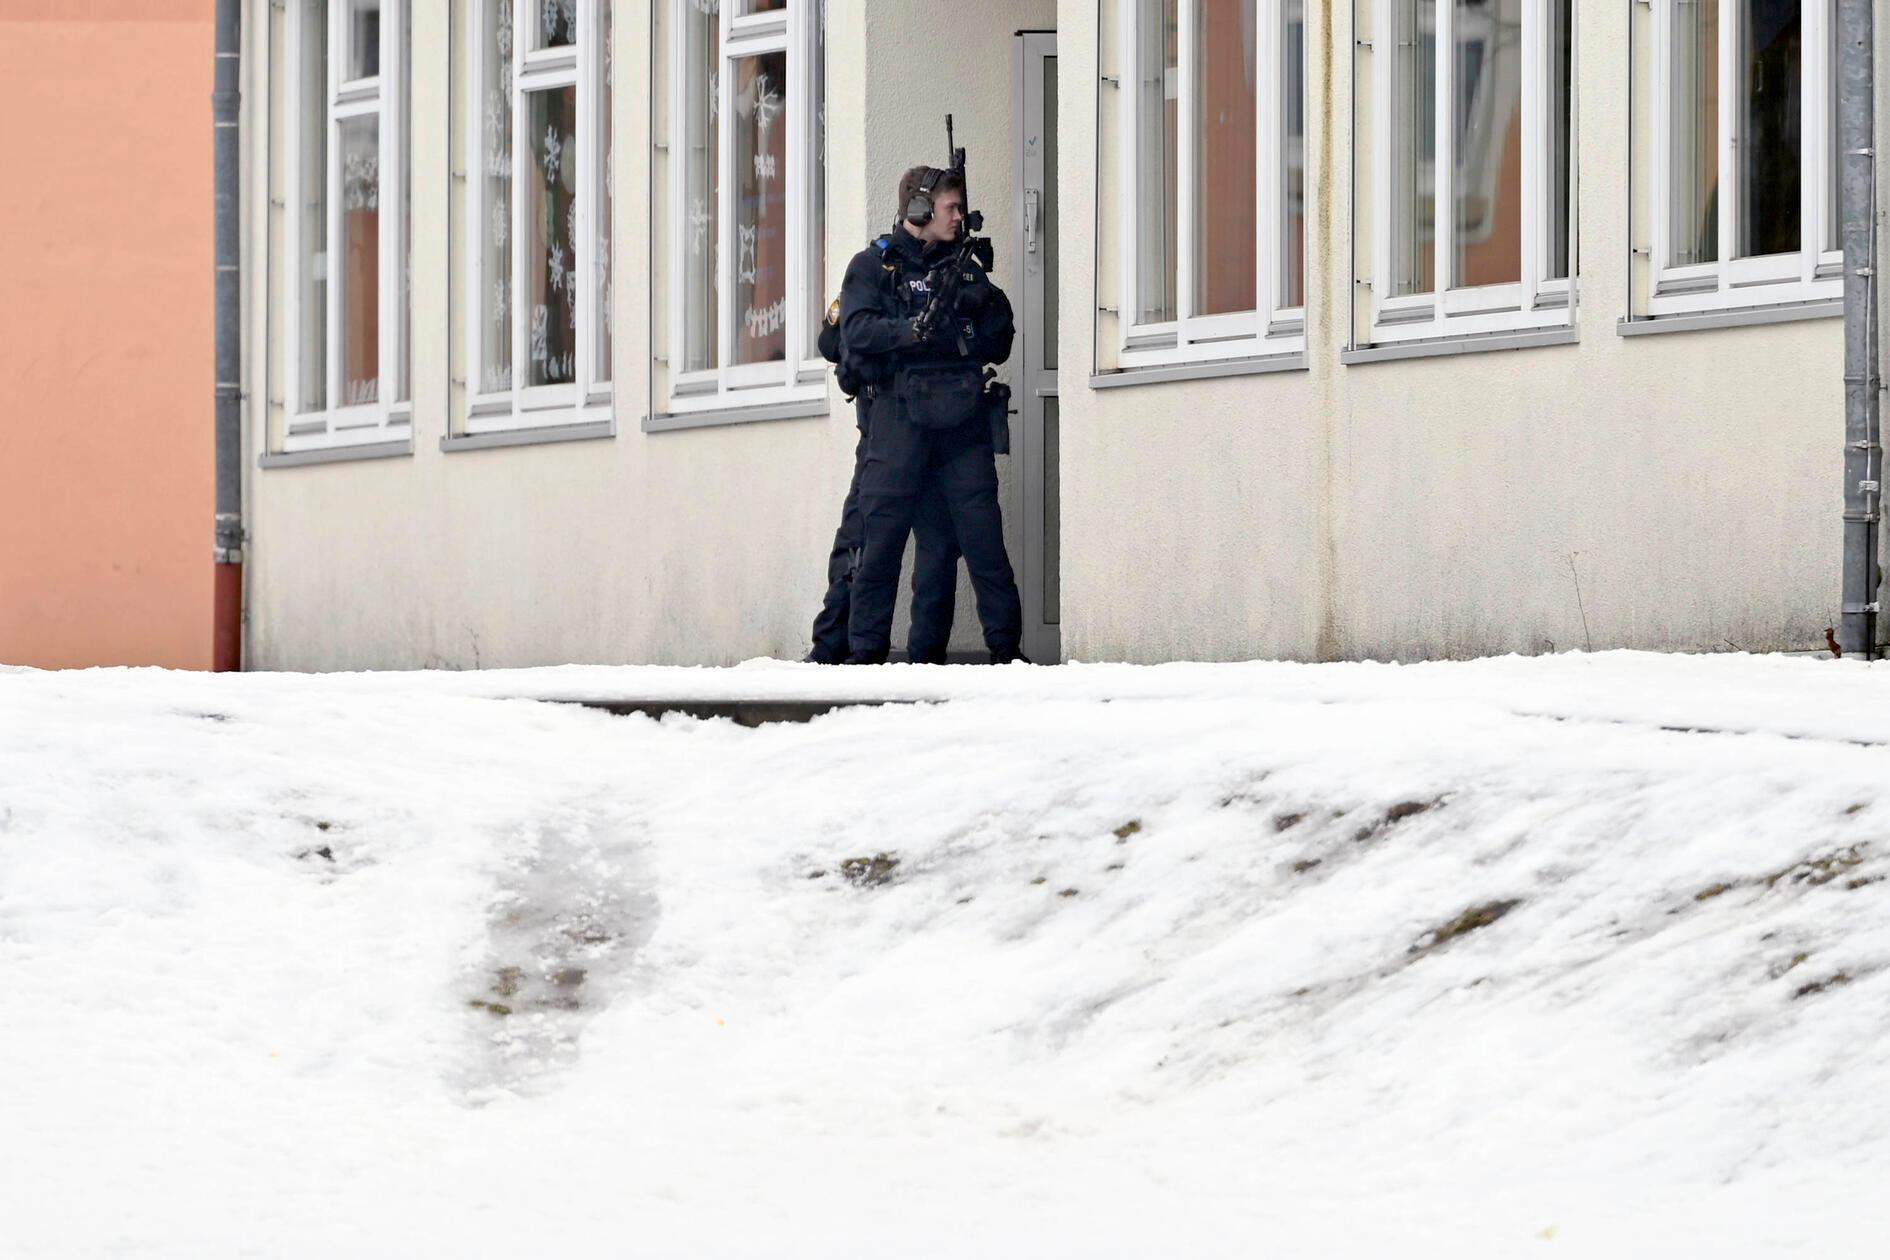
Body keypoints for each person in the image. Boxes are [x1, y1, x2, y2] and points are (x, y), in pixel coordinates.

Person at [840, 164, 1026, 665]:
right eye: (951, 207)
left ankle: (1005, 651)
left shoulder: (964, 268)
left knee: (982, 539)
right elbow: (854, 334)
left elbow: (1000, 340)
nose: (960, 217)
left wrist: (977, 303)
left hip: (961, 418)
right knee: (881, 542)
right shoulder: (874, 267)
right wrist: (912, 332)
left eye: (961, 208)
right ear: (919, 210)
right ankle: (865, 655)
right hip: (898, 417)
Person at [804, 299, 961, 666]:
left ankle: (925, 655)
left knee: (936, 546)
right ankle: (830, 644)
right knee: (858, 540)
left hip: (931, 433)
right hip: (879, 436)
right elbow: (831, 342)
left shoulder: (945, 278)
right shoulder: (877, 273)